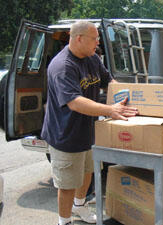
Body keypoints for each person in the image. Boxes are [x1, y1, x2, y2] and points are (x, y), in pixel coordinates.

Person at [41, 21, 138, 225]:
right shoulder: (62, 66)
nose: (98, 42)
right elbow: (74, 102)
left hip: (88, 130)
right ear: (79, 38)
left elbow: (109, 81)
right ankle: (64, 221)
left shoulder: (92, 58)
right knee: (67, 184)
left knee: (88, 172)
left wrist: (129, 95)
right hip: (64, 135)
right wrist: (110, 109)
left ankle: (80, 206)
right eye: (95, 38)